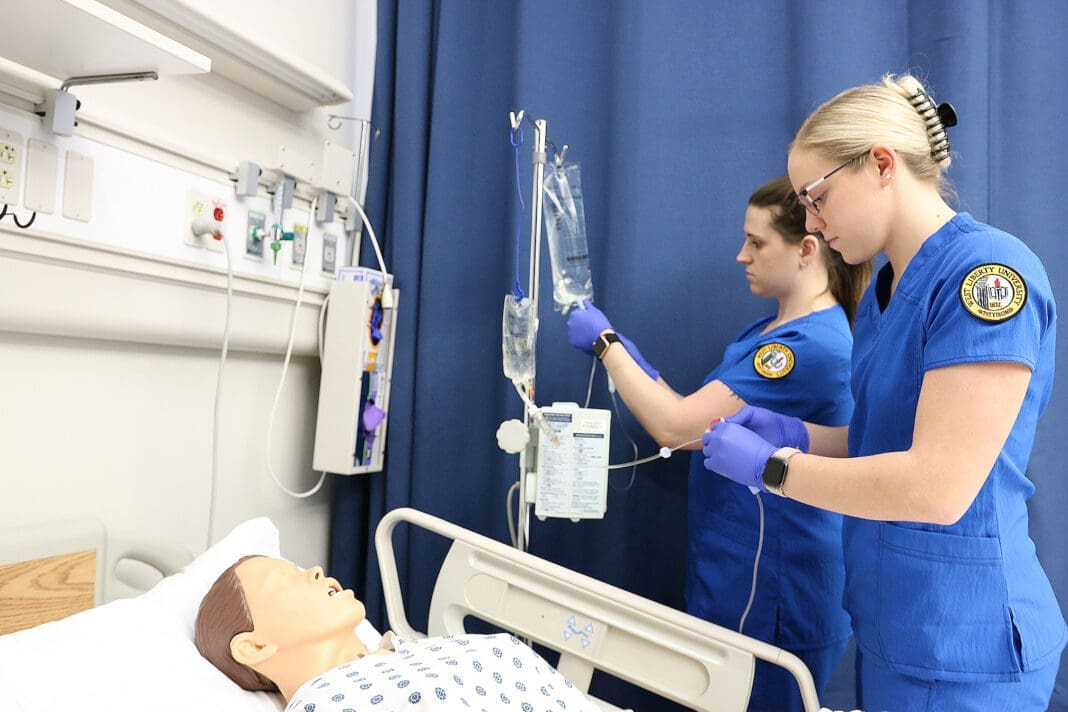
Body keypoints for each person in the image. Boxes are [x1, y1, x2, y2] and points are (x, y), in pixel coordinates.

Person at [701, 74, 1067, 712]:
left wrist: (776, 469)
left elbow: (937, 486)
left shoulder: (985, 277)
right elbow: (887, 440)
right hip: (896, 626)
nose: (812, 222)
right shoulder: (883, 290)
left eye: (817, 198)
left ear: (879, 164)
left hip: (963, 645)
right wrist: (799, 435)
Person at [565, 175, 872, 711]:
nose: (741, 256)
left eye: (756, 243)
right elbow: (694, 416)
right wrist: (637, 365)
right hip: (736, 573)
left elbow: (677, 428)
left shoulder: (803, 348)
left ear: (806, 249)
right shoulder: (767, 332)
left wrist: (607, 344)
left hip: (773, 589)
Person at [194, 554, 601, 711]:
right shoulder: (330, 704)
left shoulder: (416, 653)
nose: (315, 570)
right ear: (255, 646)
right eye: (287, 580)